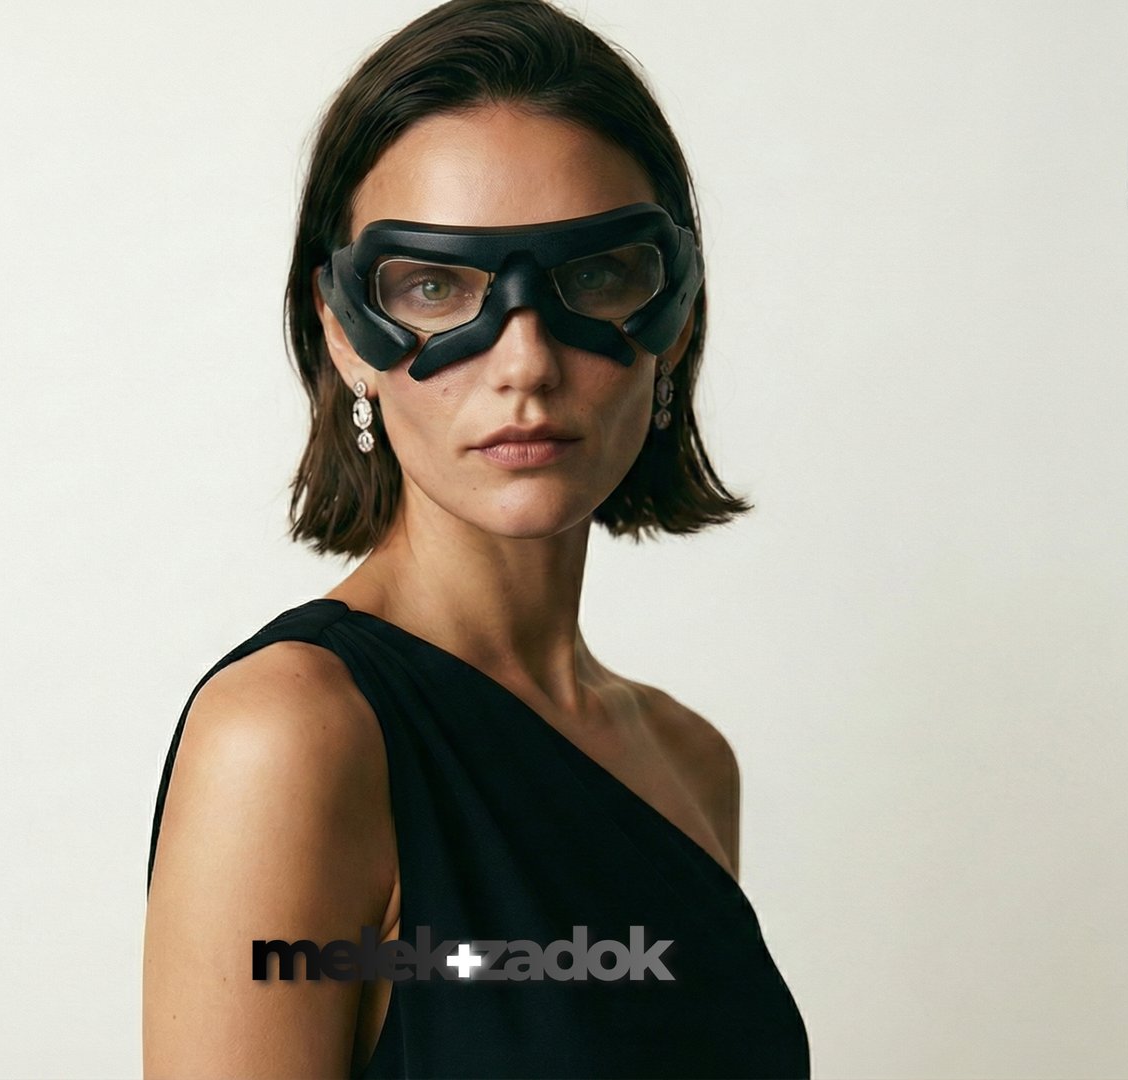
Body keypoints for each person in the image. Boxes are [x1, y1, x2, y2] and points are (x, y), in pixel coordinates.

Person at [143, 1, 810, 1075]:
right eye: (434, 286)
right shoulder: (290, 740)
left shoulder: (689, 763)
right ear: (342, 331)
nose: (525, 362)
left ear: (676, 314)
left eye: (595, 275)